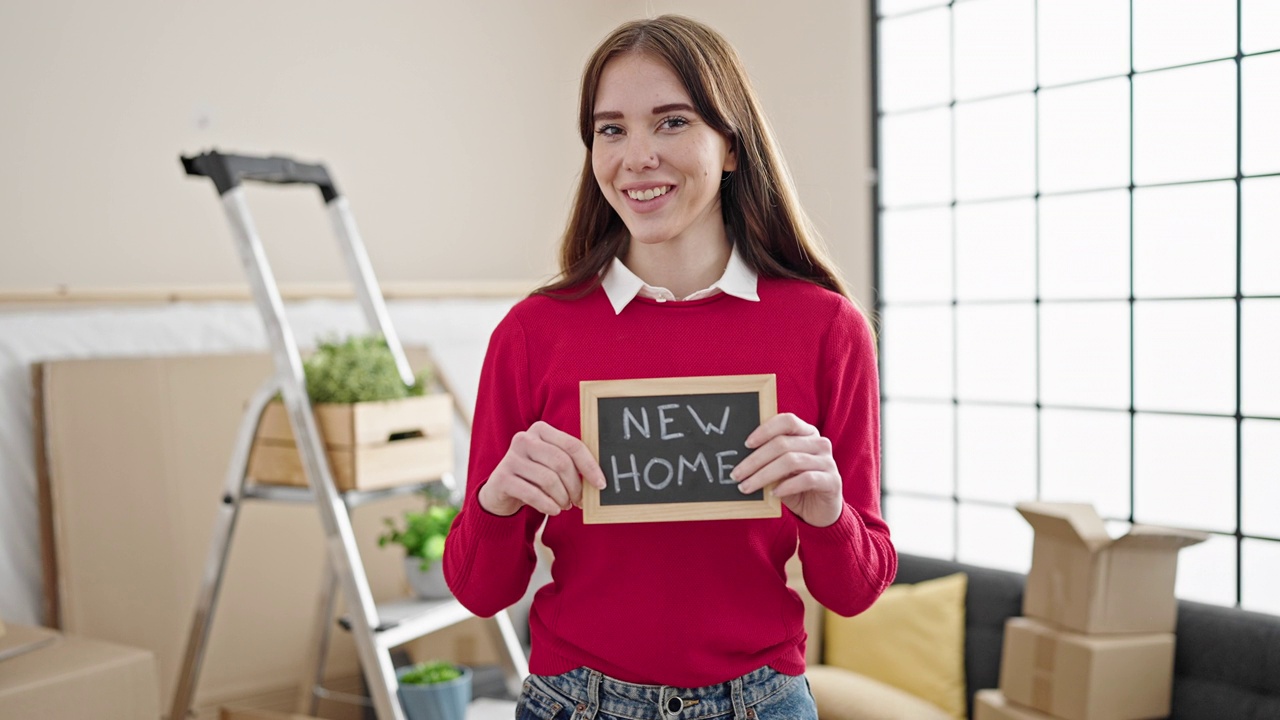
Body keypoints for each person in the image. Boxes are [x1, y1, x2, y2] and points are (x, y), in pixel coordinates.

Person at [444, 14, 896, 720]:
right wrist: (498, 504)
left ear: (732, 147)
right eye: (611, 129)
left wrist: (830, 514)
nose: (637, 156)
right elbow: (479, 590)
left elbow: (857, 590)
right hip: (573, 702)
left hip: (761, 703)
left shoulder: (827, 330)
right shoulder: (533, 333)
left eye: (672, 122)